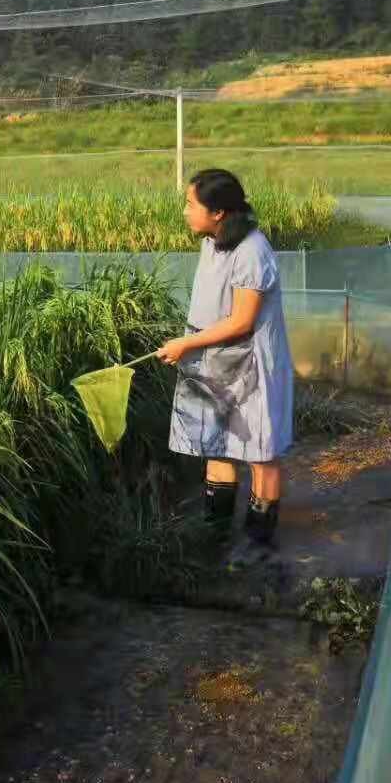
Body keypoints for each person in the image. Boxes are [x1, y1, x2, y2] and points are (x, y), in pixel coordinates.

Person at [156, 169, 293, 548]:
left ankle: (258, 543)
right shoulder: (212, 242)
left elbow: (242, 321)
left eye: (190, 204)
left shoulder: (252, 251)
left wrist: (186, 344)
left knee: (259, 453)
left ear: (217, 212)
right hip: (213, 361)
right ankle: (215, 536)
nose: (185, 211)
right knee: (215, 445)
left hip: (249, 365)